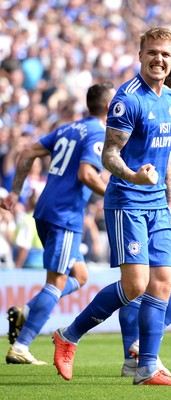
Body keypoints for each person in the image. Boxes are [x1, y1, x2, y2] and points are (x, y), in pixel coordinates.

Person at [53, 27, 171, 386]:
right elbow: (109, 154)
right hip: (127, 200)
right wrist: (134, 176)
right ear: (140, 55)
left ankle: (146, 367)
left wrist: (169, 198)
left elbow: (168, 154)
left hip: (157, 203)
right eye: (152, 53)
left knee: (163, 282)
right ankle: (68, 336)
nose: (159, 59)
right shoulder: (126, 99)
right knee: (135, 286)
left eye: (166, 54)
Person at [0, 82, 116, 364]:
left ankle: (27, 311)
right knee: (57, 282)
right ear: (109, 107)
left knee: (80, 276)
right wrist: (115, 194)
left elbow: (27, 152)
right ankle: (21, 345)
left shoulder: (68, 128)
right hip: (65, 215)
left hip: (45, 209)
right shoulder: (99, 133)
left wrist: (16, 192)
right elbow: (87, 174)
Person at [119, 63, 171, 377]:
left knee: (140, 285)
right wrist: (169, 206)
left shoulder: (161, 106)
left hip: (146, 203)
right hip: (154, 205)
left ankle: (131, 359)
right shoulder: (164, 103)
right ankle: (140, 345)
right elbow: (164, 167)